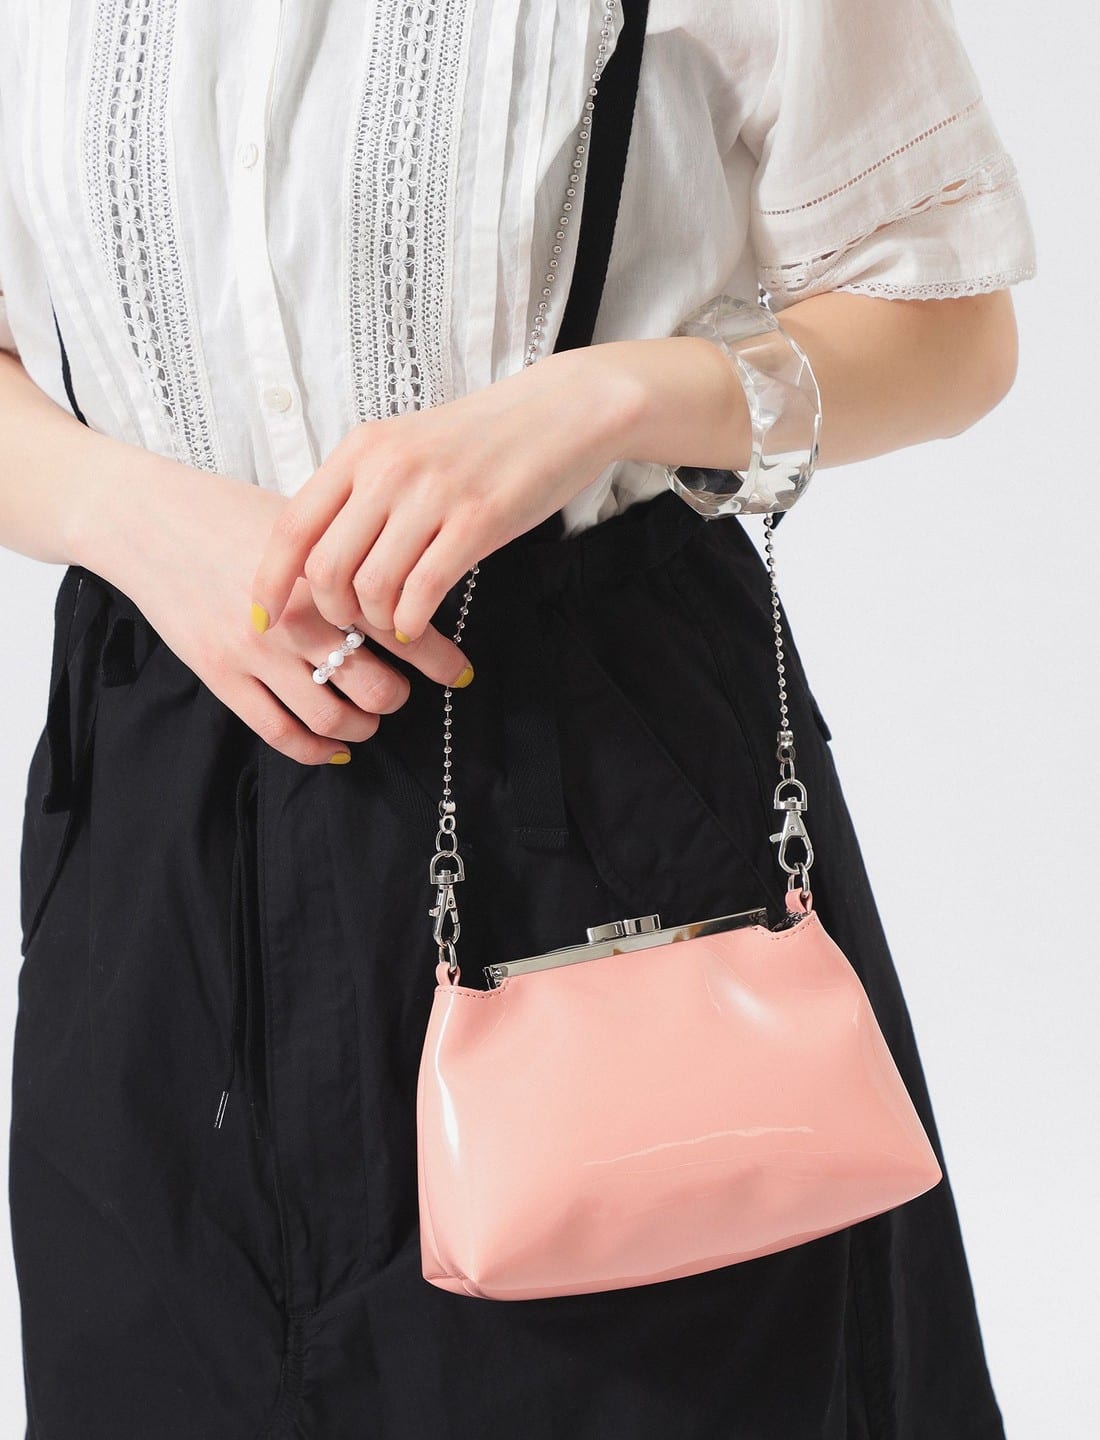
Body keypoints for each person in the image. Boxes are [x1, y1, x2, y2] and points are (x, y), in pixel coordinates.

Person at [0, 1, 1036, 1436]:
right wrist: (130, 517)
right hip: (160, 828)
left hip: (591, 801)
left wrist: (600, 401)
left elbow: (952, 327)